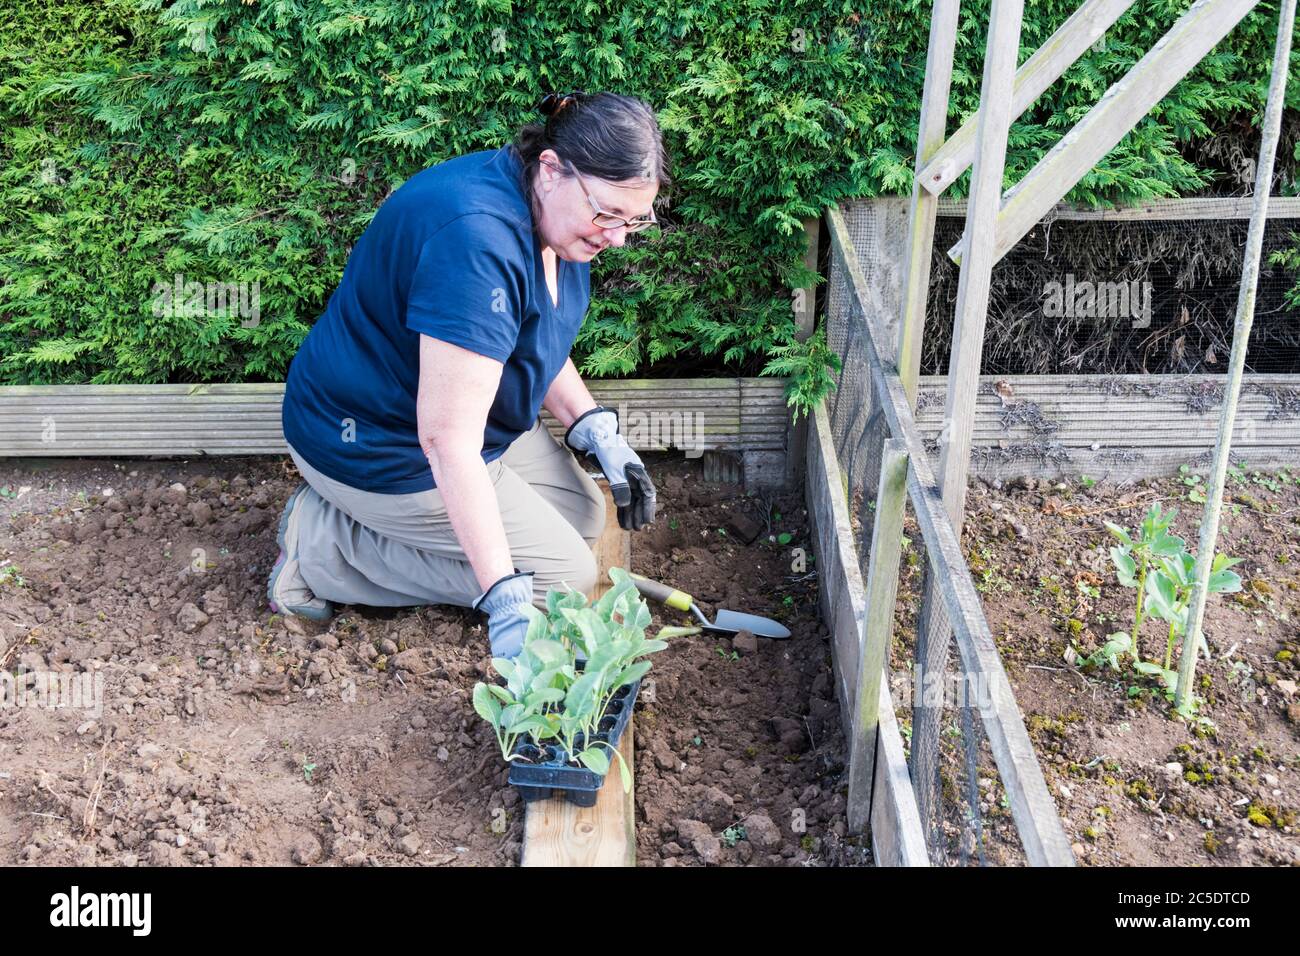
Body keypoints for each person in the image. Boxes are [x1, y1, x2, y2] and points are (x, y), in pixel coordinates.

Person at [268, 91, 671, 660]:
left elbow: (534, 335)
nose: (618, 237)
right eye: (607, 213)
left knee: (586, 515)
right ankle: (323, 545)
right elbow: (446, 440)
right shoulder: (476, 240)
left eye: (636, 220)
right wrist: (504, 597)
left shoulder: (551, 214)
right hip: (380, 442)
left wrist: (595, 429)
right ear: (553, 168)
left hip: (469, 420)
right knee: (560, 581)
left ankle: (367, 532)